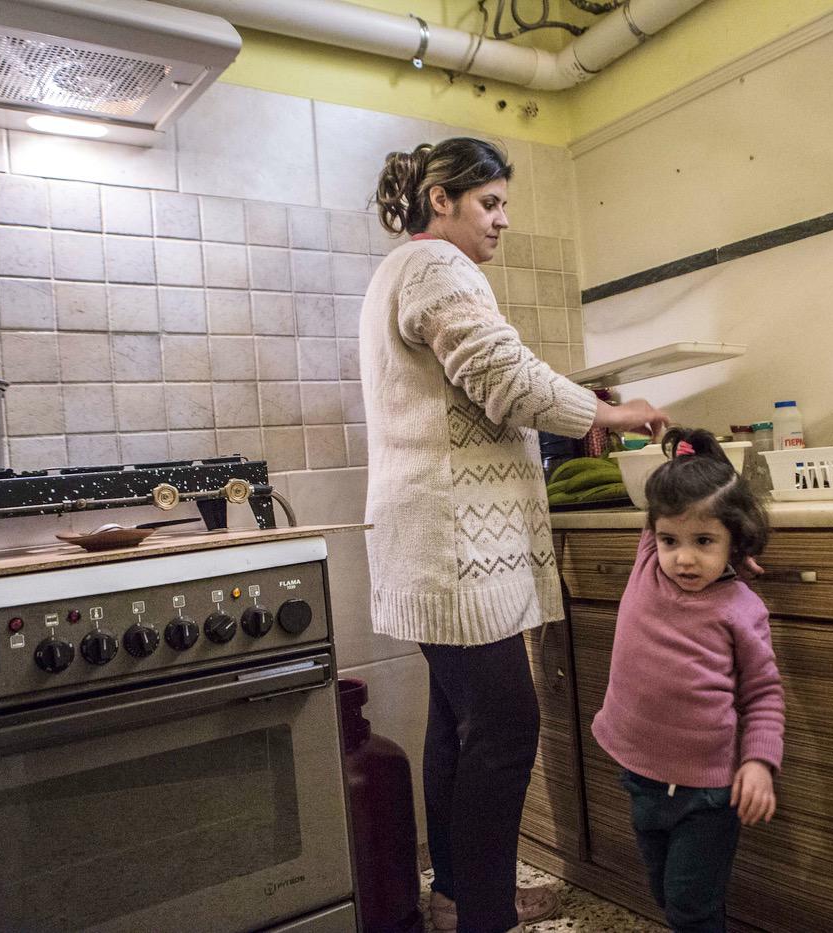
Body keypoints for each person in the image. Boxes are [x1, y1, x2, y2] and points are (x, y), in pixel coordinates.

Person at [360, 137, 669, 933]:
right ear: (442, 199)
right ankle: (485, 919)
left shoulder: (397, 273)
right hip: (454, 547)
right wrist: (607, 410)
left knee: (458, 724)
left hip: (430, 541)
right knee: (504, 726)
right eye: (490, 204)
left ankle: (460, 898)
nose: (502, 222)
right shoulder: (436, 268)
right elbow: (504, 376)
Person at [591, 428, 785, 933]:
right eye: (670, 541)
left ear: (734, 540)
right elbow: (666, 506)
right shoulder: (647, 566)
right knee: (663, 890)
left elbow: (763, 693)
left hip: (707, 791)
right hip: (640, 773)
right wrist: (688, 450)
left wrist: (760, 762)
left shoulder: (741, 609)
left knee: (689, 906)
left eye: (704, 542)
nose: (683, 558)